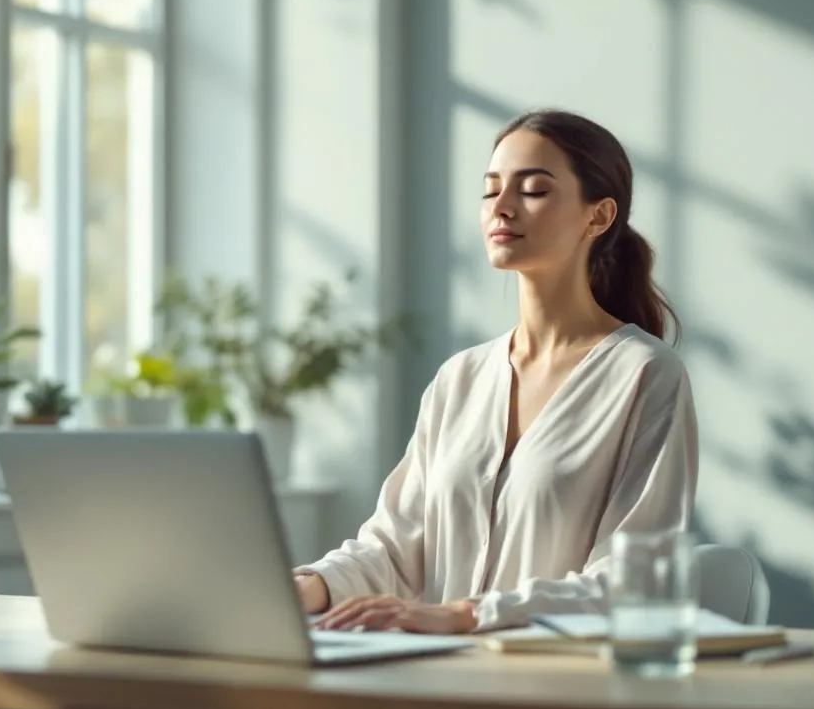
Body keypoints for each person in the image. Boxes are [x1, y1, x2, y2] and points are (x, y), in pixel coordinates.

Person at [293, 109, 699, 634]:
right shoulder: (458, 379)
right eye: (490, 190)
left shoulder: (645, 374)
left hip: (562, 686)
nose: (501, 208)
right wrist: (306, 587)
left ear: (597, 217)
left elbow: (636, 580)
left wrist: (465, 614)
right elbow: (393, 550)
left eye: (532, 190)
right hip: (431, 678)